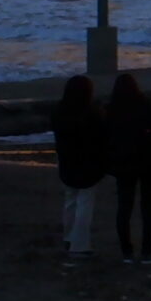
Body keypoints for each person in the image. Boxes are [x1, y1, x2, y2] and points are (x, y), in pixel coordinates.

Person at [103, 73, 151, 265]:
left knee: (124, 207)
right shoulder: (146, 105)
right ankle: (147, 253)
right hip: (149, 161)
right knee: (148, 208)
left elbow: (105, 136)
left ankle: (127, 253)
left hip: (123, 163)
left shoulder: (111, 110)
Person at [49, 74, 105, 262]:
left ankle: (68, 237)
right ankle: (80, 245)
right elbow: (100, 138)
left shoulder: (59, 111)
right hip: (88, 163)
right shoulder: (92, 113)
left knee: (70, 199)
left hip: (67, 160)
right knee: (85, 203)